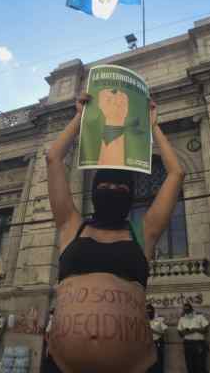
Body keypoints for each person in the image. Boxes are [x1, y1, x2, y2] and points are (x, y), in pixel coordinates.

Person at [46, 92, 184, 373]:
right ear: (94, 192)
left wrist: (153, 126)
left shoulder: (144, 233)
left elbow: (176, 174)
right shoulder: (72, 225)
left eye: (121, 188)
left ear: (130, 196)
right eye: (105, 186)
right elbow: (53, 159)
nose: (112, 190)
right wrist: (80, 118)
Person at [177, 303, 209, 373]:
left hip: (199, 344)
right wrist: (186, 332)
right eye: (185, 310)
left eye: (188, 309)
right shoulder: (182, 319)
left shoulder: (199, 316)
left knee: (200, 364)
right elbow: (180, 333)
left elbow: (206, 330)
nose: (187, 311)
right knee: (190, 365)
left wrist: (196, 329)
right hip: (188, 344)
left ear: (191, 309)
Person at [147, 304, 168, 373]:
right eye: (147, 311)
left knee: (158, 361)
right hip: (147, 345)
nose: (148, 312)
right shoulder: (143, 320)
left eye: (150, 311)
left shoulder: (159, 320)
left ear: (153, 311)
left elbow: (165, 333)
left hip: (157, 343)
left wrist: (153, 331)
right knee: (149, 363)